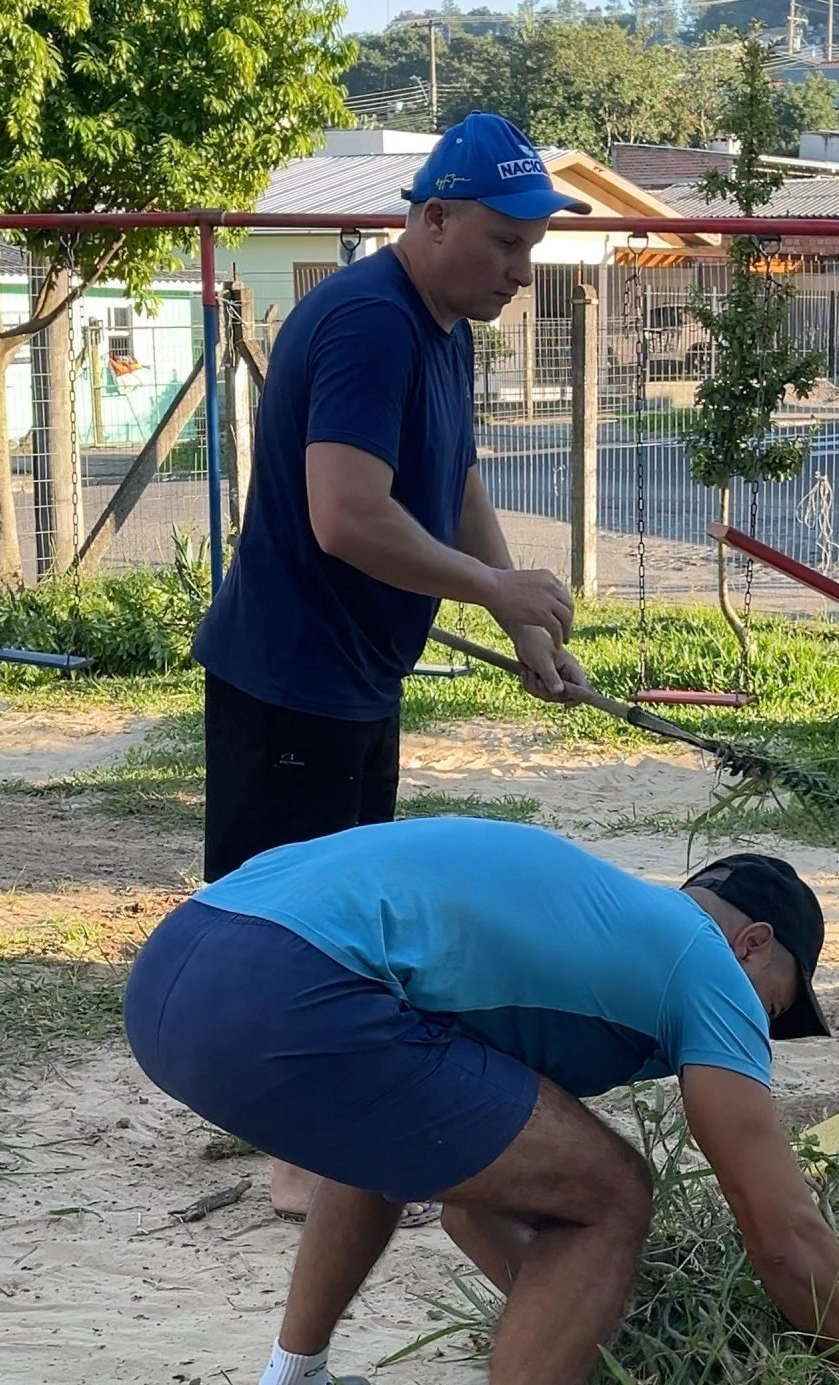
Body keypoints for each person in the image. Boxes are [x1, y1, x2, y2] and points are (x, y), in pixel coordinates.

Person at [124, 818, 839, 1385]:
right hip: (292, 990)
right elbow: (784, 1234)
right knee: (611, 1194)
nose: (761, 1035)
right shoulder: (701, 960)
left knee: (393, 1123)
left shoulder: (574, 932)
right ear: (752, 942)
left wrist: (599, 1340)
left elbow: (465, 1198)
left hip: (178, 968)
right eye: (773, 1007)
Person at [190, 112, 591, 1223]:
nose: (522, 270)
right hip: (290, 672)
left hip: (357, 670)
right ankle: (292, 1154)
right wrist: (497, 590)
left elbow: (455, 485)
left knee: (352, 912)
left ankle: (323, 1128)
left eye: (532, 248)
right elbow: (345, 516)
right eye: (506, 244)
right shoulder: (370, 322)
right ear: (432, 216)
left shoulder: (442, 326)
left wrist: (525, 628)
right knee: (288, 918)